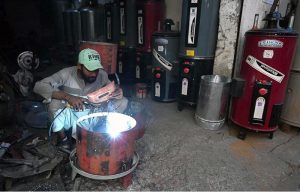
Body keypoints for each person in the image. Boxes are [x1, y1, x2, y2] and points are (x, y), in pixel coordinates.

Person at [34, 48, 128, 149]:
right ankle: (64, 139)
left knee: (122, 101)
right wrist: (68, 97)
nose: (94, 74)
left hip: (93, 112)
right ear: (79, 66)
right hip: (71, 112)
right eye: (89, 69)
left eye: (96, 69)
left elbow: (111, 88)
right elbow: (39, 86)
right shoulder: (67, 73)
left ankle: (101, 130)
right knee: (53, 103)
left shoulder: (102, 75)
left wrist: (117, 91)